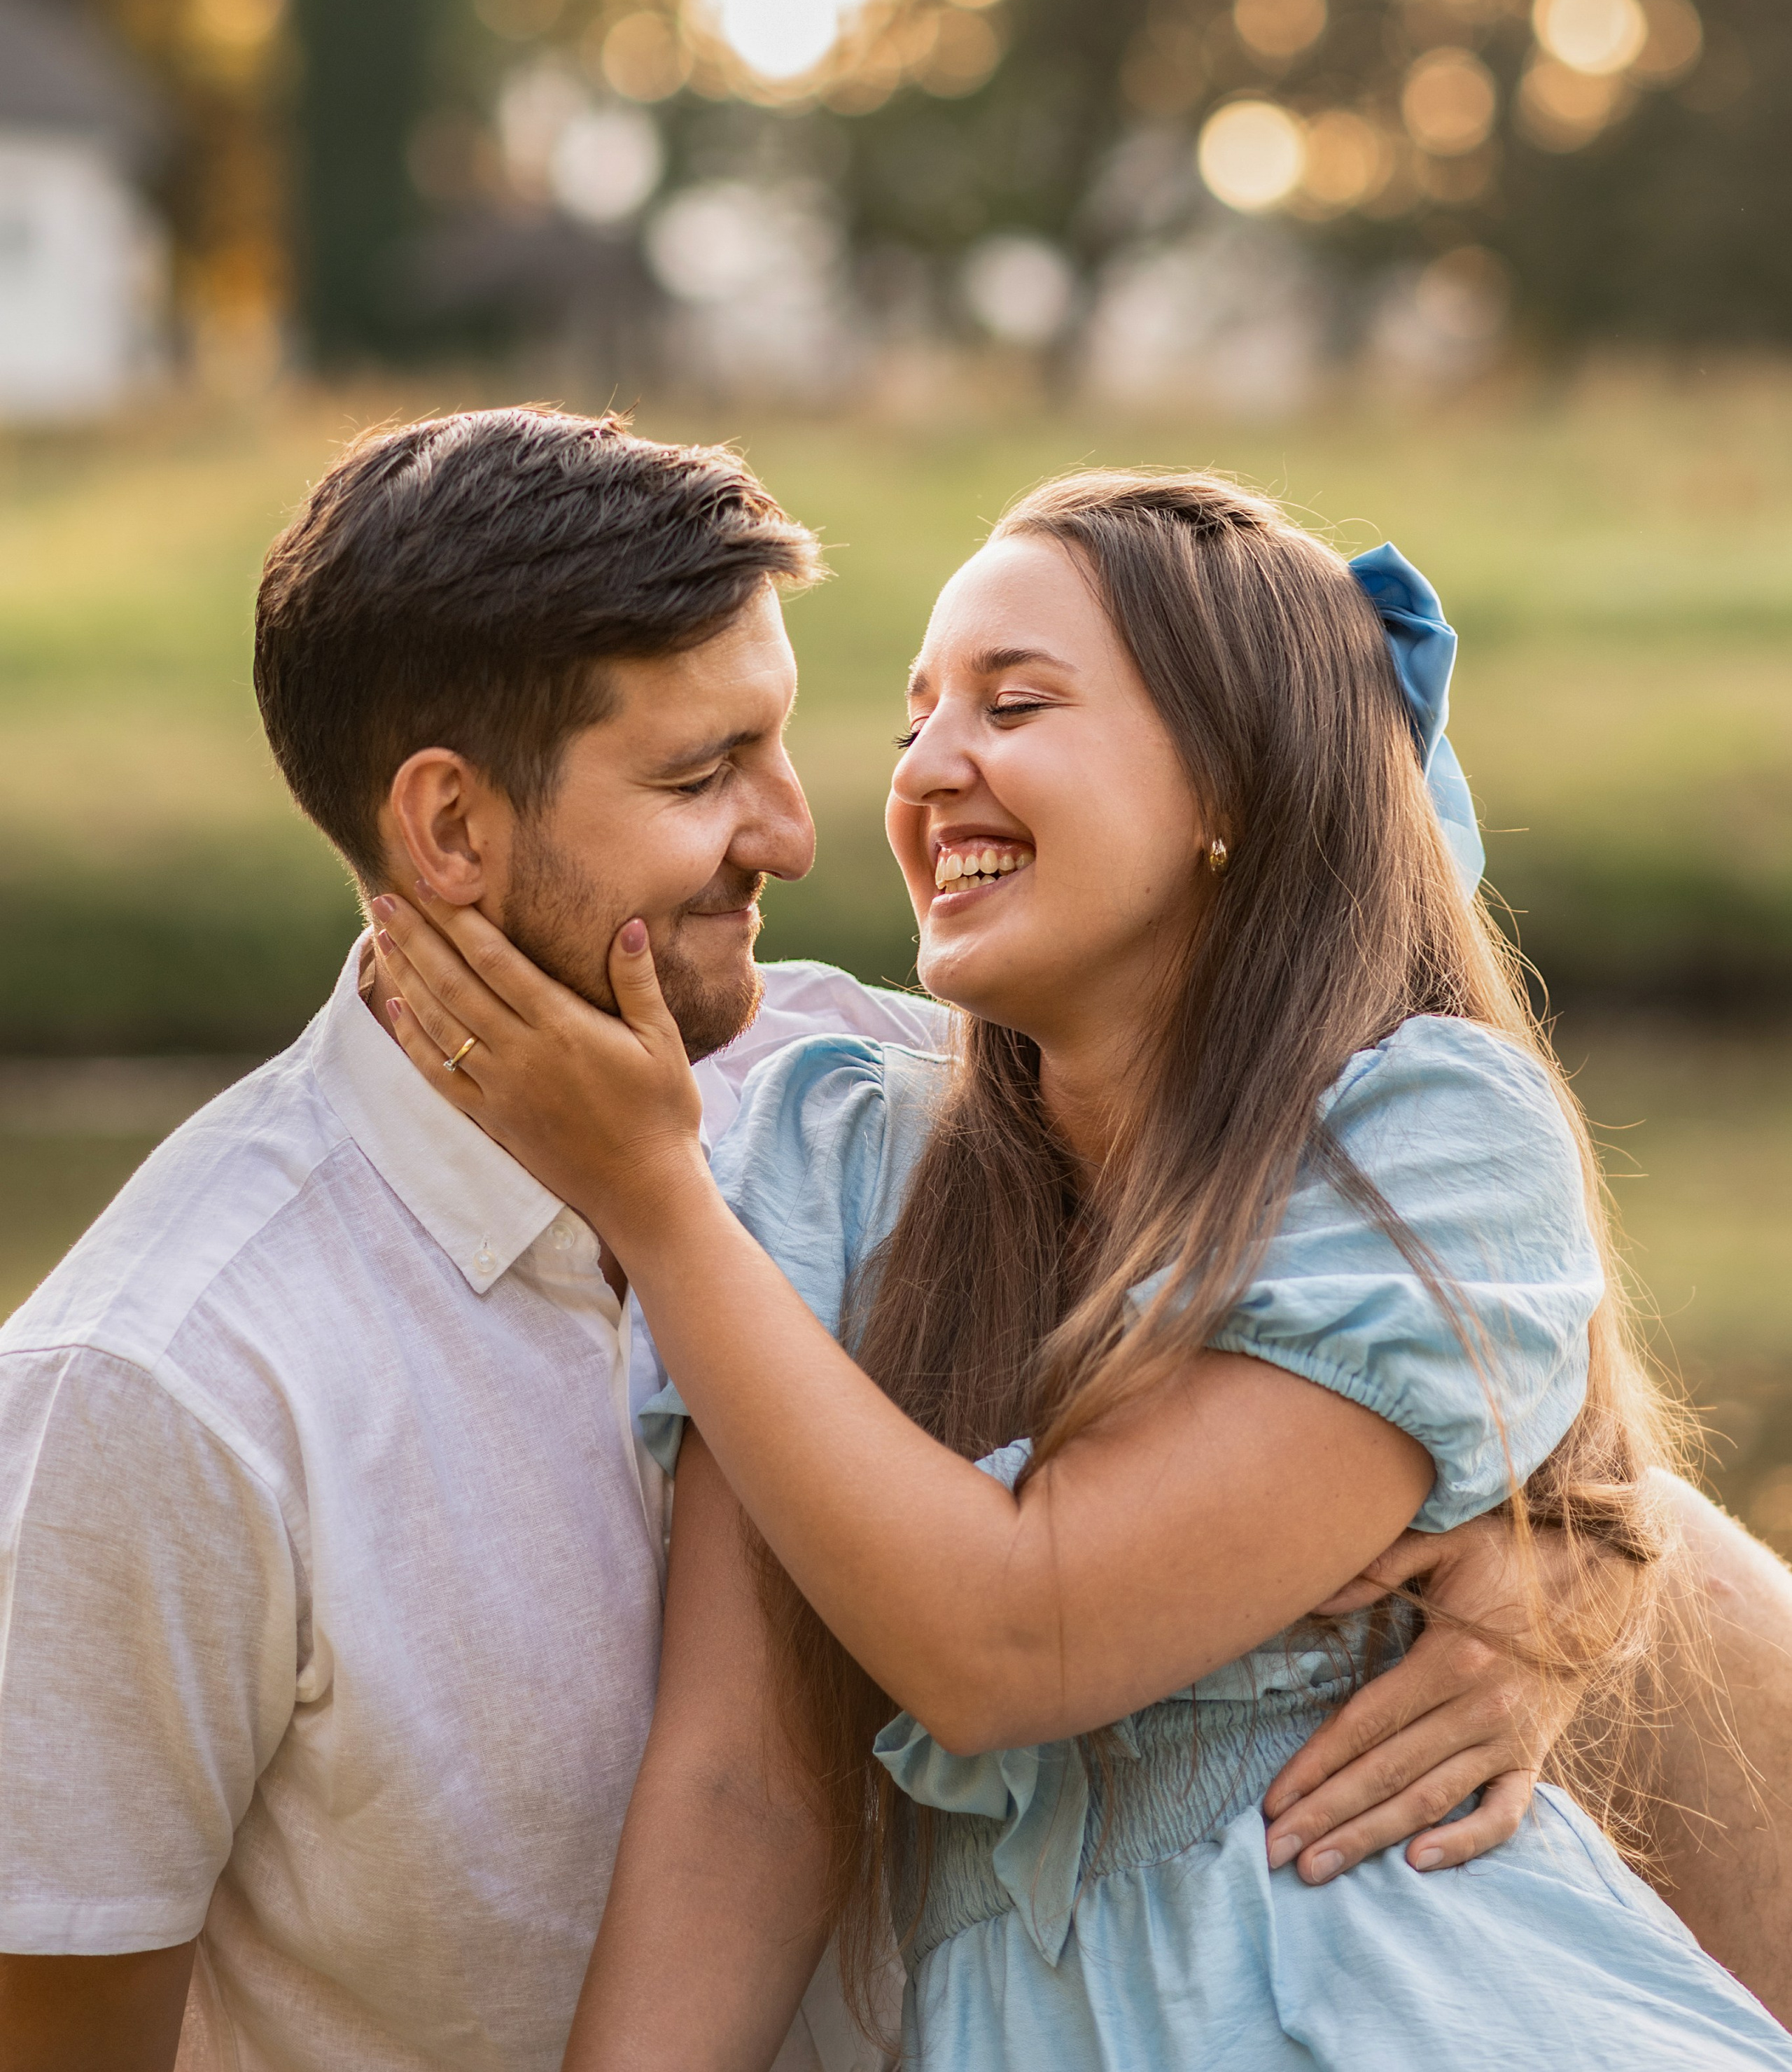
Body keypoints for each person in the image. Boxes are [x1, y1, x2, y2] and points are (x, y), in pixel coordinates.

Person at [0, 413, 1586, 2072]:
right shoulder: (150, 1388)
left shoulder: (915, 1097)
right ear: (451, 833)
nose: (803, 833)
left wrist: (1554, 1579)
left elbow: (1451, 1355)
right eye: (698, 777)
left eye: (782, 744)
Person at [372, 466, 1792, 2068]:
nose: (925, 770)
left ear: (1229, 786)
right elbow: (742, 1793)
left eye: (1013, 702)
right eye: (916, 719)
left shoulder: (1422, 1137)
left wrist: (648, 1200)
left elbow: (1011, 1645)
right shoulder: (822, 1165)